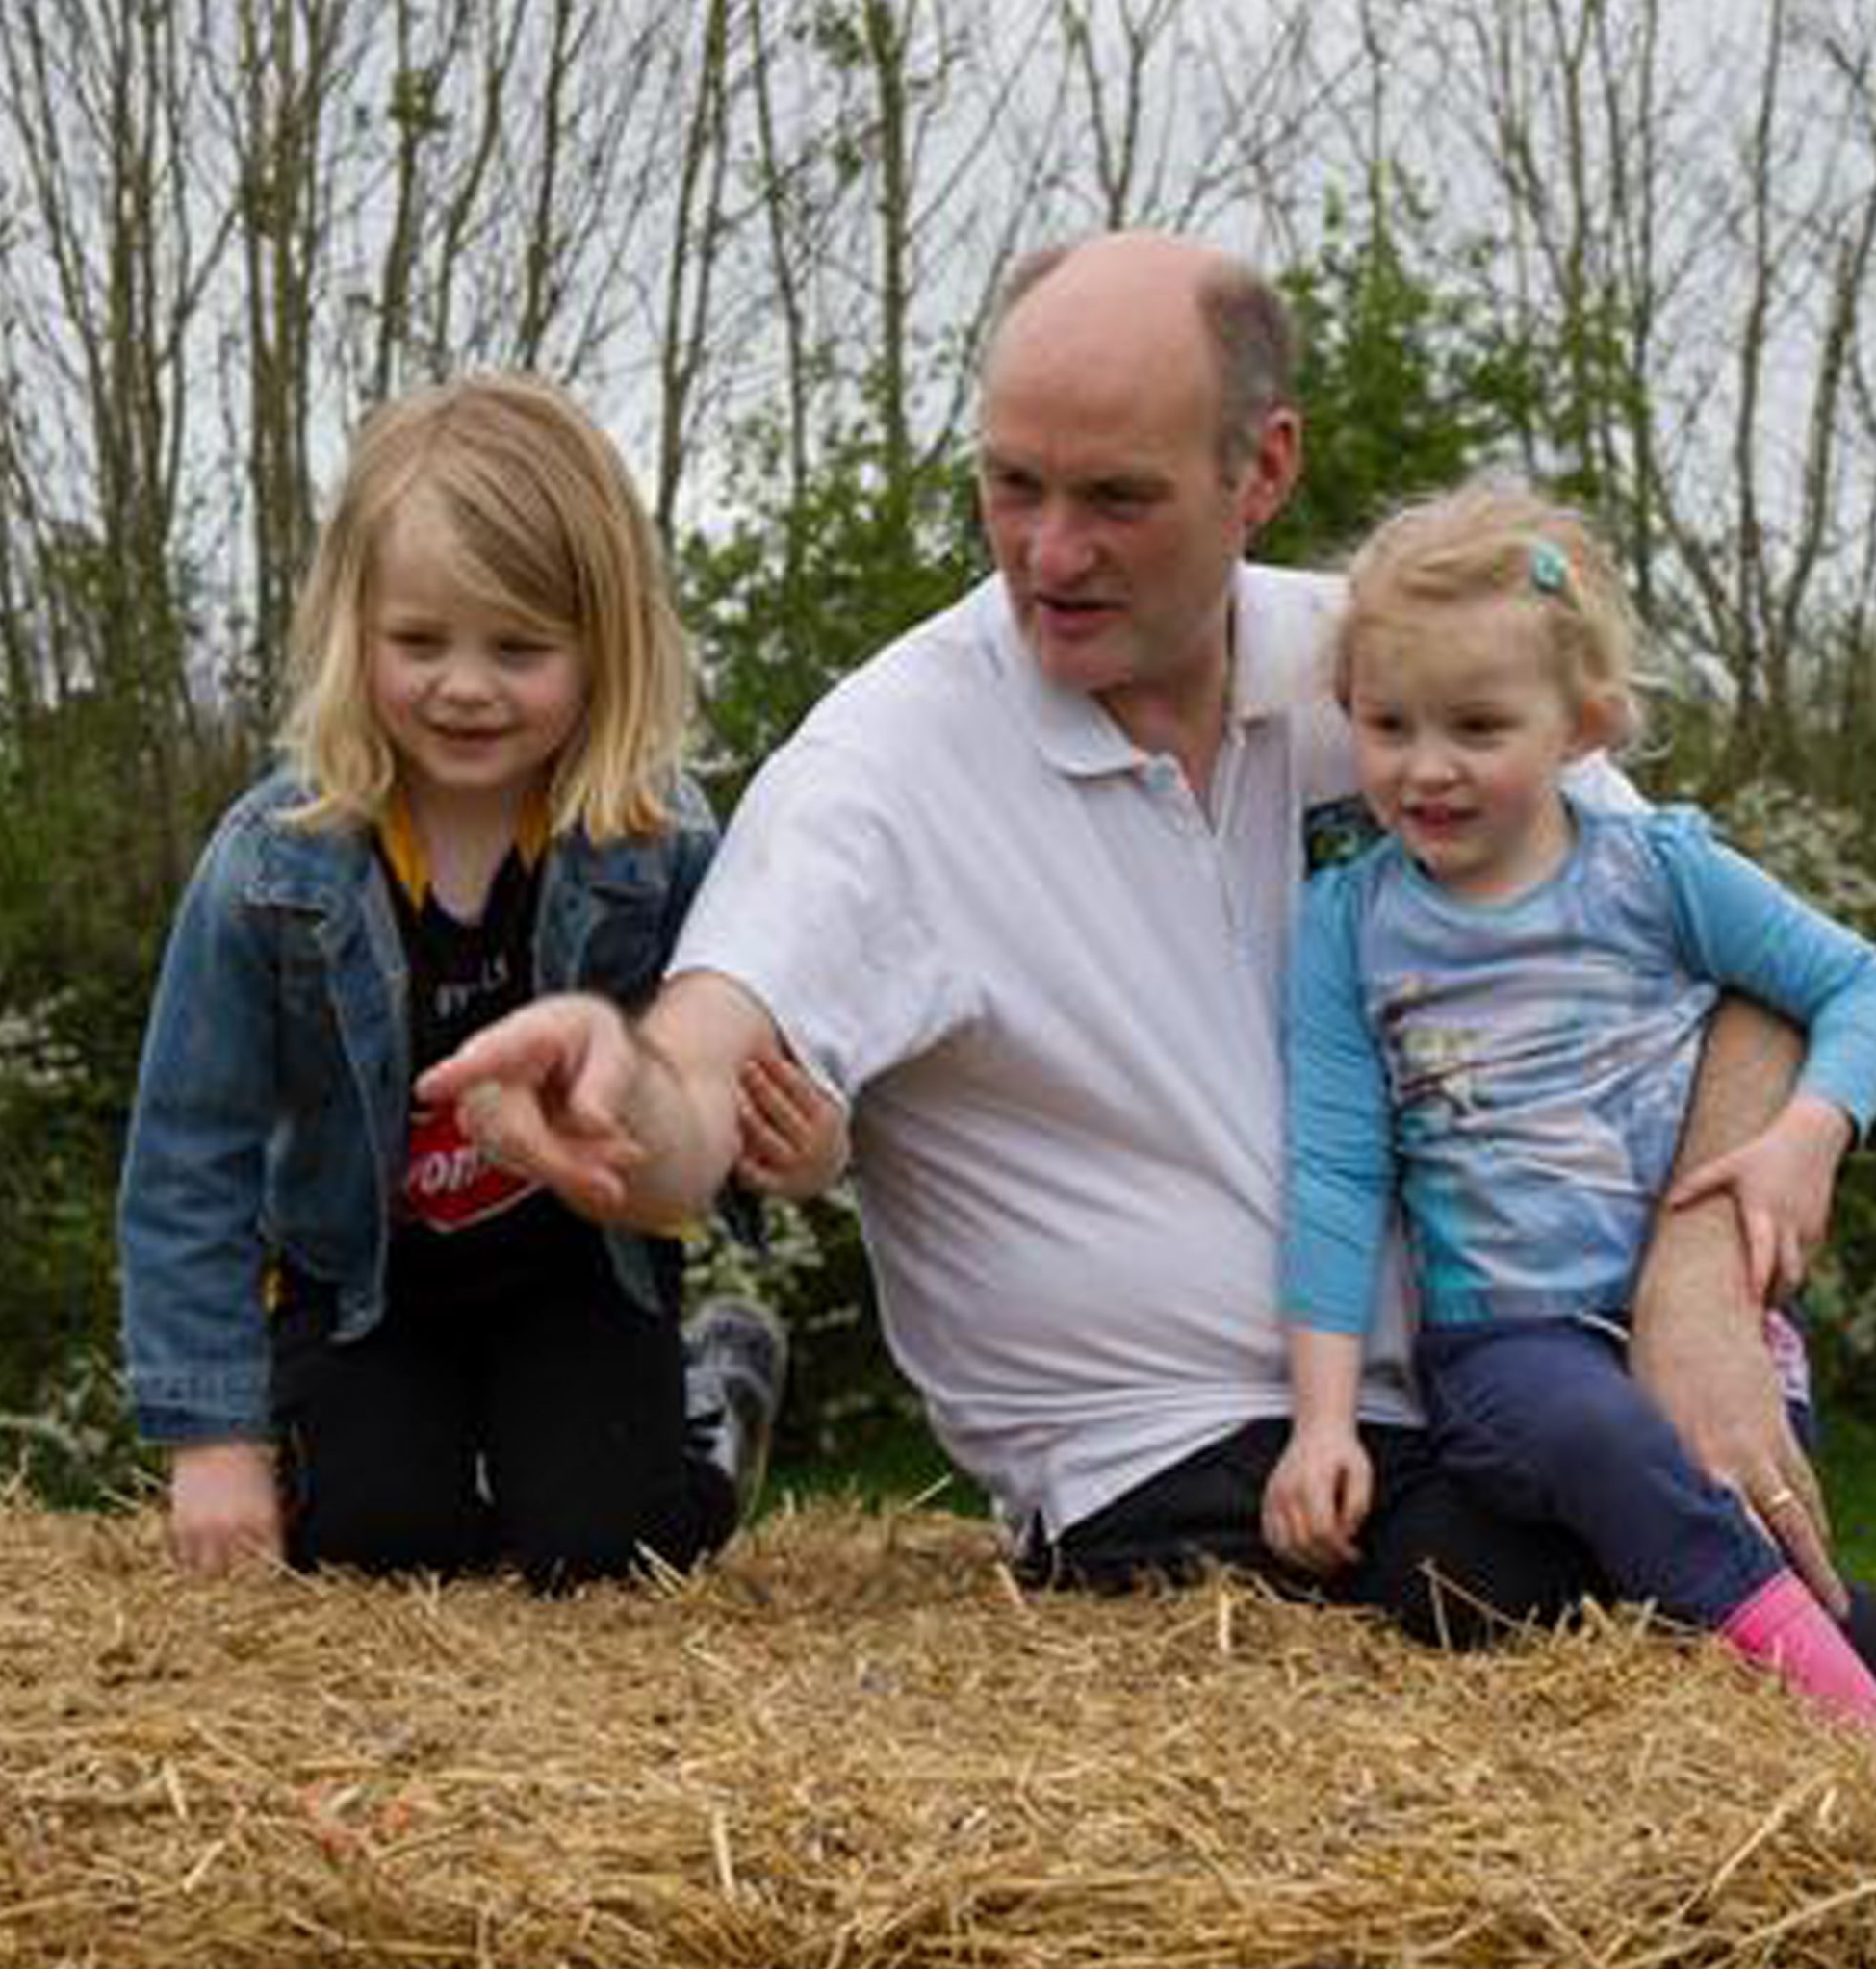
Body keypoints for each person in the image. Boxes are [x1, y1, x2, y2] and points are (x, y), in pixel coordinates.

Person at [421, 229, 1844, 1646]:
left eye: (1115, 498)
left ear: (1263, 472)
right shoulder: (883, 768)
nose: (1051, 552)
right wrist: (615, 1088)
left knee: (1707, 1580)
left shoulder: (1408, 680)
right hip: (1180, 1468)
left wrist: (1698, 1274)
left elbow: (1745, 968)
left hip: (1516, 1385)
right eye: (1010, 486)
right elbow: (698, 1079)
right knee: (1572, 1609)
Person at [116, 373, 825, 1589]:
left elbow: (739, 1075)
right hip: (363, 1287)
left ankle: (706, 1401)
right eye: (418, 642)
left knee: (612, 1551)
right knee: (373, 1542)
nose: (464, 685)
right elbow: (192, 1150)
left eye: (518, 648)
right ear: (352, 630)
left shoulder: (660, 850)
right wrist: (213, 1438)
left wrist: (801, 1147)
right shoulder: (271, 866)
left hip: (577, 1269)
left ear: (607, 644)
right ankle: (421, 1458)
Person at [1264, 487, 1876, 1711]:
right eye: (1388, 724)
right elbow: (1336, 1173)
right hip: (1509, 1344)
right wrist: (1320, 1422)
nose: (1426, 767)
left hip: (1705, 1331)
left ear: (1581, 725)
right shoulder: (1350, 925)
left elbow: (1852, 979)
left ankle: (1780, 1673)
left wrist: (1807, 1133)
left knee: (1729, 1496)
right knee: (1605, 1448)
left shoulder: (1655, 874)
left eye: (1478, 727)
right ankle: (1842, 1711)